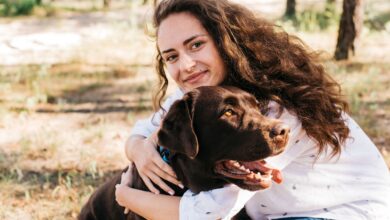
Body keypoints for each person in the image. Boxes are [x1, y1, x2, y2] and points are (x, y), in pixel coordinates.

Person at [114, 0, 390, 219]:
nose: (185, 64)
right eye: (171, 56)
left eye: (196, 45)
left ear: (225, 40)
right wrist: (138, 149)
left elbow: (207, 213)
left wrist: (125, 196)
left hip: (346, 212)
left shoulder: (278, 108)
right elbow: (145, 128)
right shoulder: (210, 94)